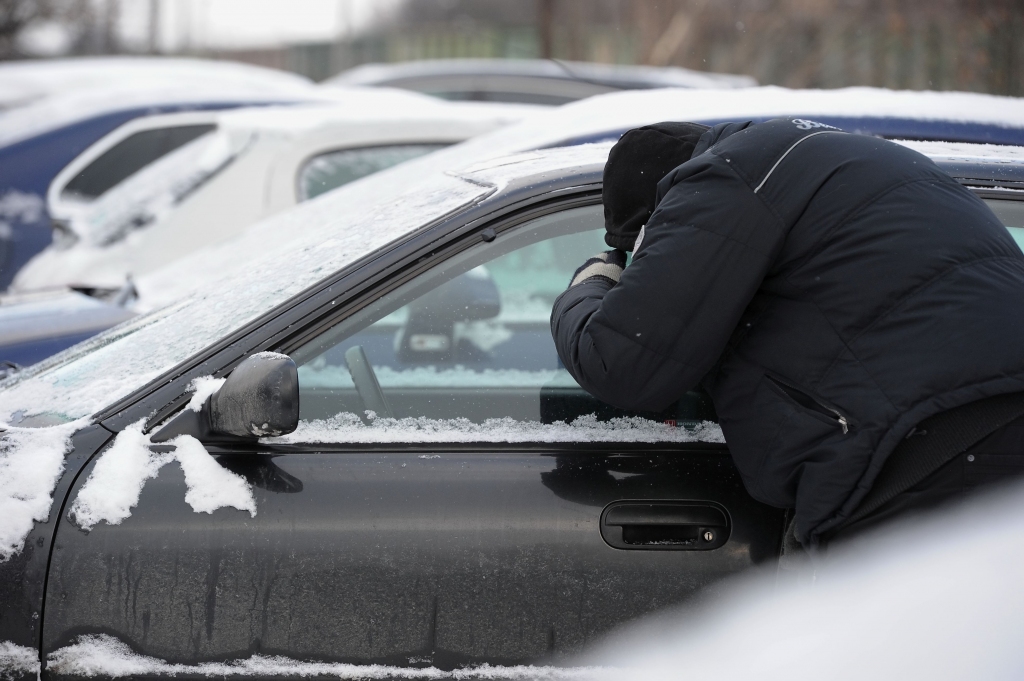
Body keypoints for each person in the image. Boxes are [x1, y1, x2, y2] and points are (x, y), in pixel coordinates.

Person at [551, 118, 1024, 547]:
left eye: (645, 245)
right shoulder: (840, 159)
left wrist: (589, 286)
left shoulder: (727, 176)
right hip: (987, 428)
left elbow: (621, 360)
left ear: (664, 208)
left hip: (920, 457)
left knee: (886, 641)